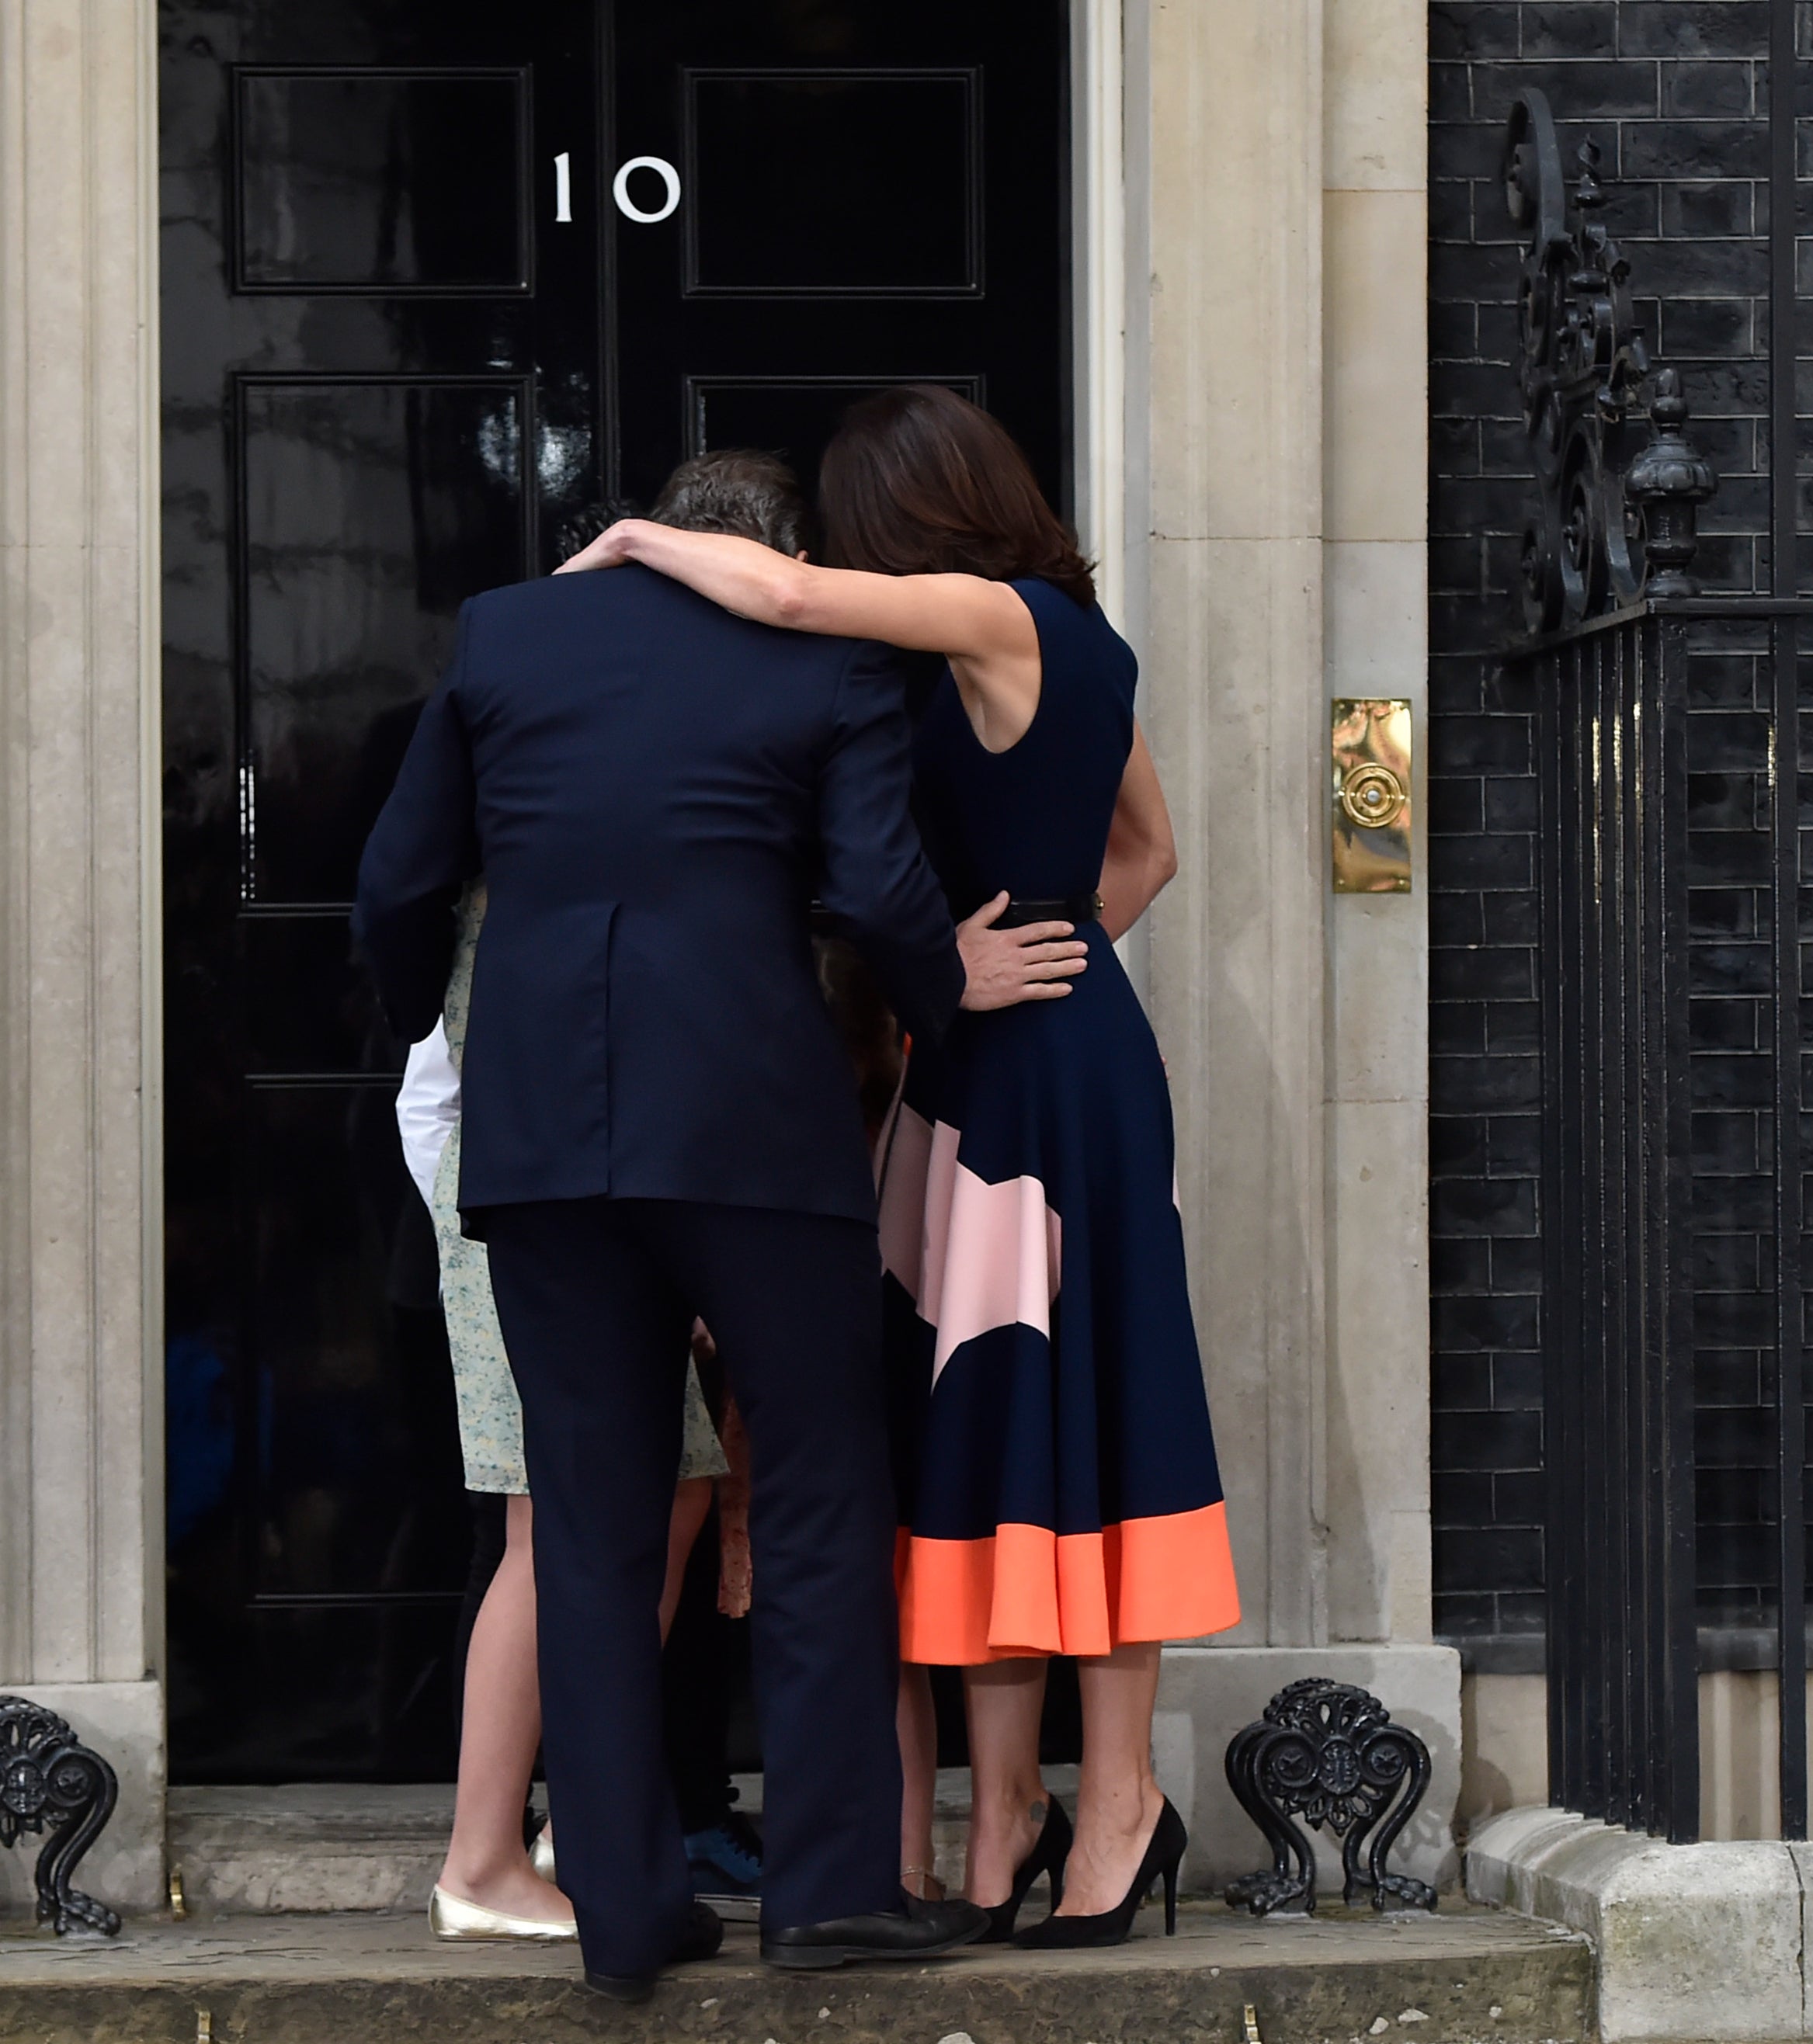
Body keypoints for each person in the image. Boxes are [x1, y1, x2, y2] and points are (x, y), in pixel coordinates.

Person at [354, 449, 1053, 2001]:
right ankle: (824, 1898)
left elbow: (395, 886)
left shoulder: (503, 636)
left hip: (543, 1139)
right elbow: (878, 893)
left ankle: (623, 1909)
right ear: (772, 555)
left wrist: (441, 1027)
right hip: (753, 1127)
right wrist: (942, 997)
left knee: (591, 1518)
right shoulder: (828, 654)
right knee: (810, 1496)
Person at [557, 385, 1243, 1950]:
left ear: (914, 515)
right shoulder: (1081, 646)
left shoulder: (996, 616)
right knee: (1010, 1438)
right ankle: (1020, 1824)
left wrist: (628, 540)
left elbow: (790, 588)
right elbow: (1149, 853)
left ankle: (1114, 1810)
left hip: (1025, 1087)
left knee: (1063, 1428)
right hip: (1017, 1069)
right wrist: (1021, 972)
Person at [397, 872, 727, 1945]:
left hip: (603, 1199)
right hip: (523, 1203)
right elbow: (429, 1092)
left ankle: (580, 1818)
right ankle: (481, 1859)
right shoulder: (492, 874)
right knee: (550, 1523)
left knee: (674, 1493)